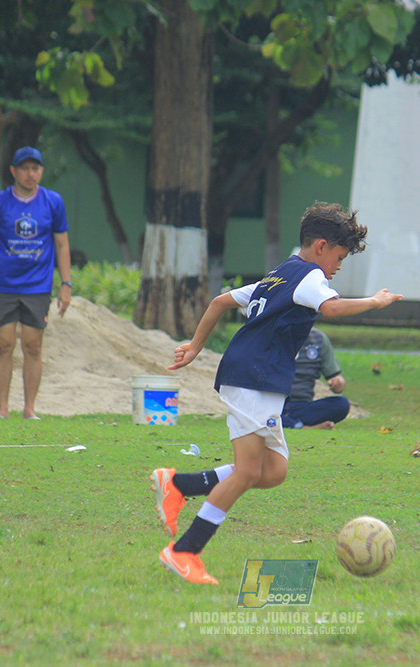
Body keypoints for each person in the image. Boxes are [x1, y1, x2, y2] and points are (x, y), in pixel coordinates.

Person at [149, 202, 402, 584]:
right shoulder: (311, 276)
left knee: (272, 472)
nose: (337, 266)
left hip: (256, 378)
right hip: (255, 378)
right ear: (321, 246)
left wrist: (196, 347)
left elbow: (220, 302)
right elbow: (332, 309)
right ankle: (184, 551)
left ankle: (179, 485)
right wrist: (374, 301)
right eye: (339, 257)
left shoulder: (279, 274)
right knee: (248, 471)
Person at [0, 146, 72, 420]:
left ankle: (29, 408)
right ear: (13, 171)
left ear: (41, 171)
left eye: (35, 168)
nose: (31, 174)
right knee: (3, 344)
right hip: (3, 284)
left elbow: (62, 244)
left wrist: (66, 283)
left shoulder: (53, 201)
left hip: (37, 286)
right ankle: (2, 408)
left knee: (33, 346)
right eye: (25, 168)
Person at [281, 326, 350, 430]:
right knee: (259, 409)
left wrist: (338, 382)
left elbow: (336, 379)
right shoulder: (270, 333)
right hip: (273, 401)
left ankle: (287, 422)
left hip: (301, 406)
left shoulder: (318, 338)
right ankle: (300, 425)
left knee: (341, 404)